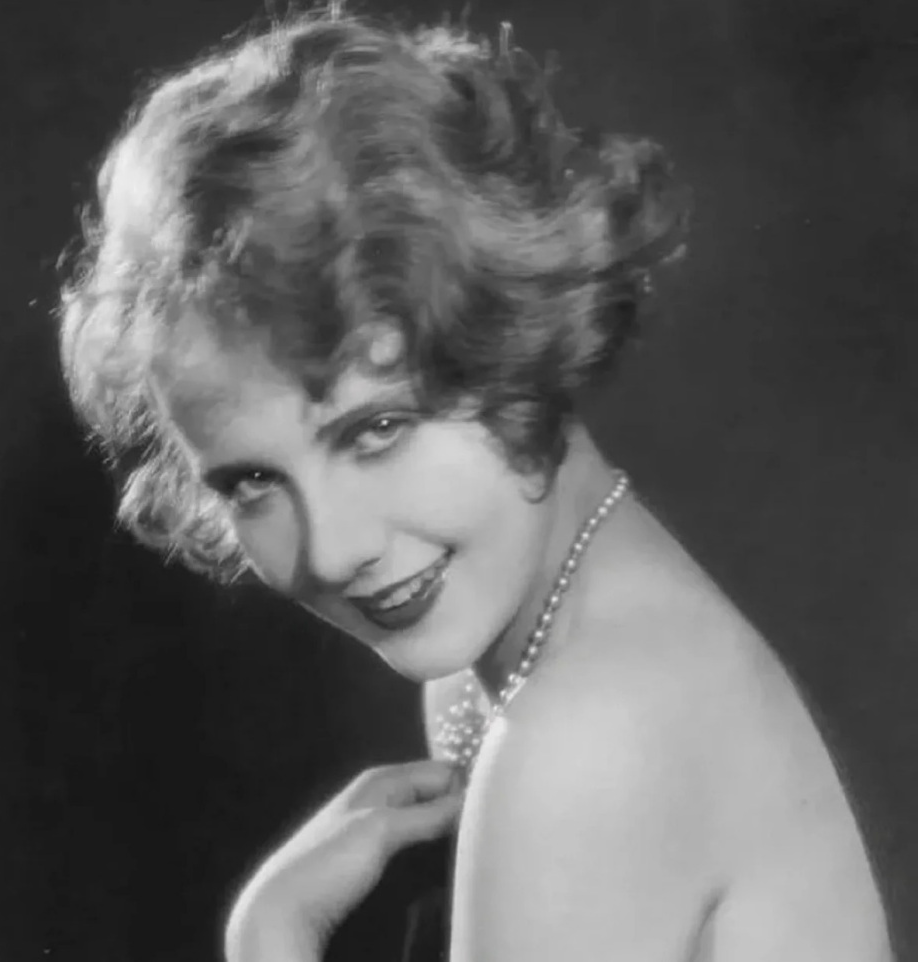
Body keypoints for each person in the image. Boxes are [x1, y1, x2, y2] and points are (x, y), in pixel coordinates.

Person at [57, 6, 893, 961]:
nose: (334, 549)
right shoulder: (500, 637)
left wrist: (270, 940)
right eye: (251, 482)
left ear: (511, 340)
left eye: (377, 430)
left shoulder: (590, 730)